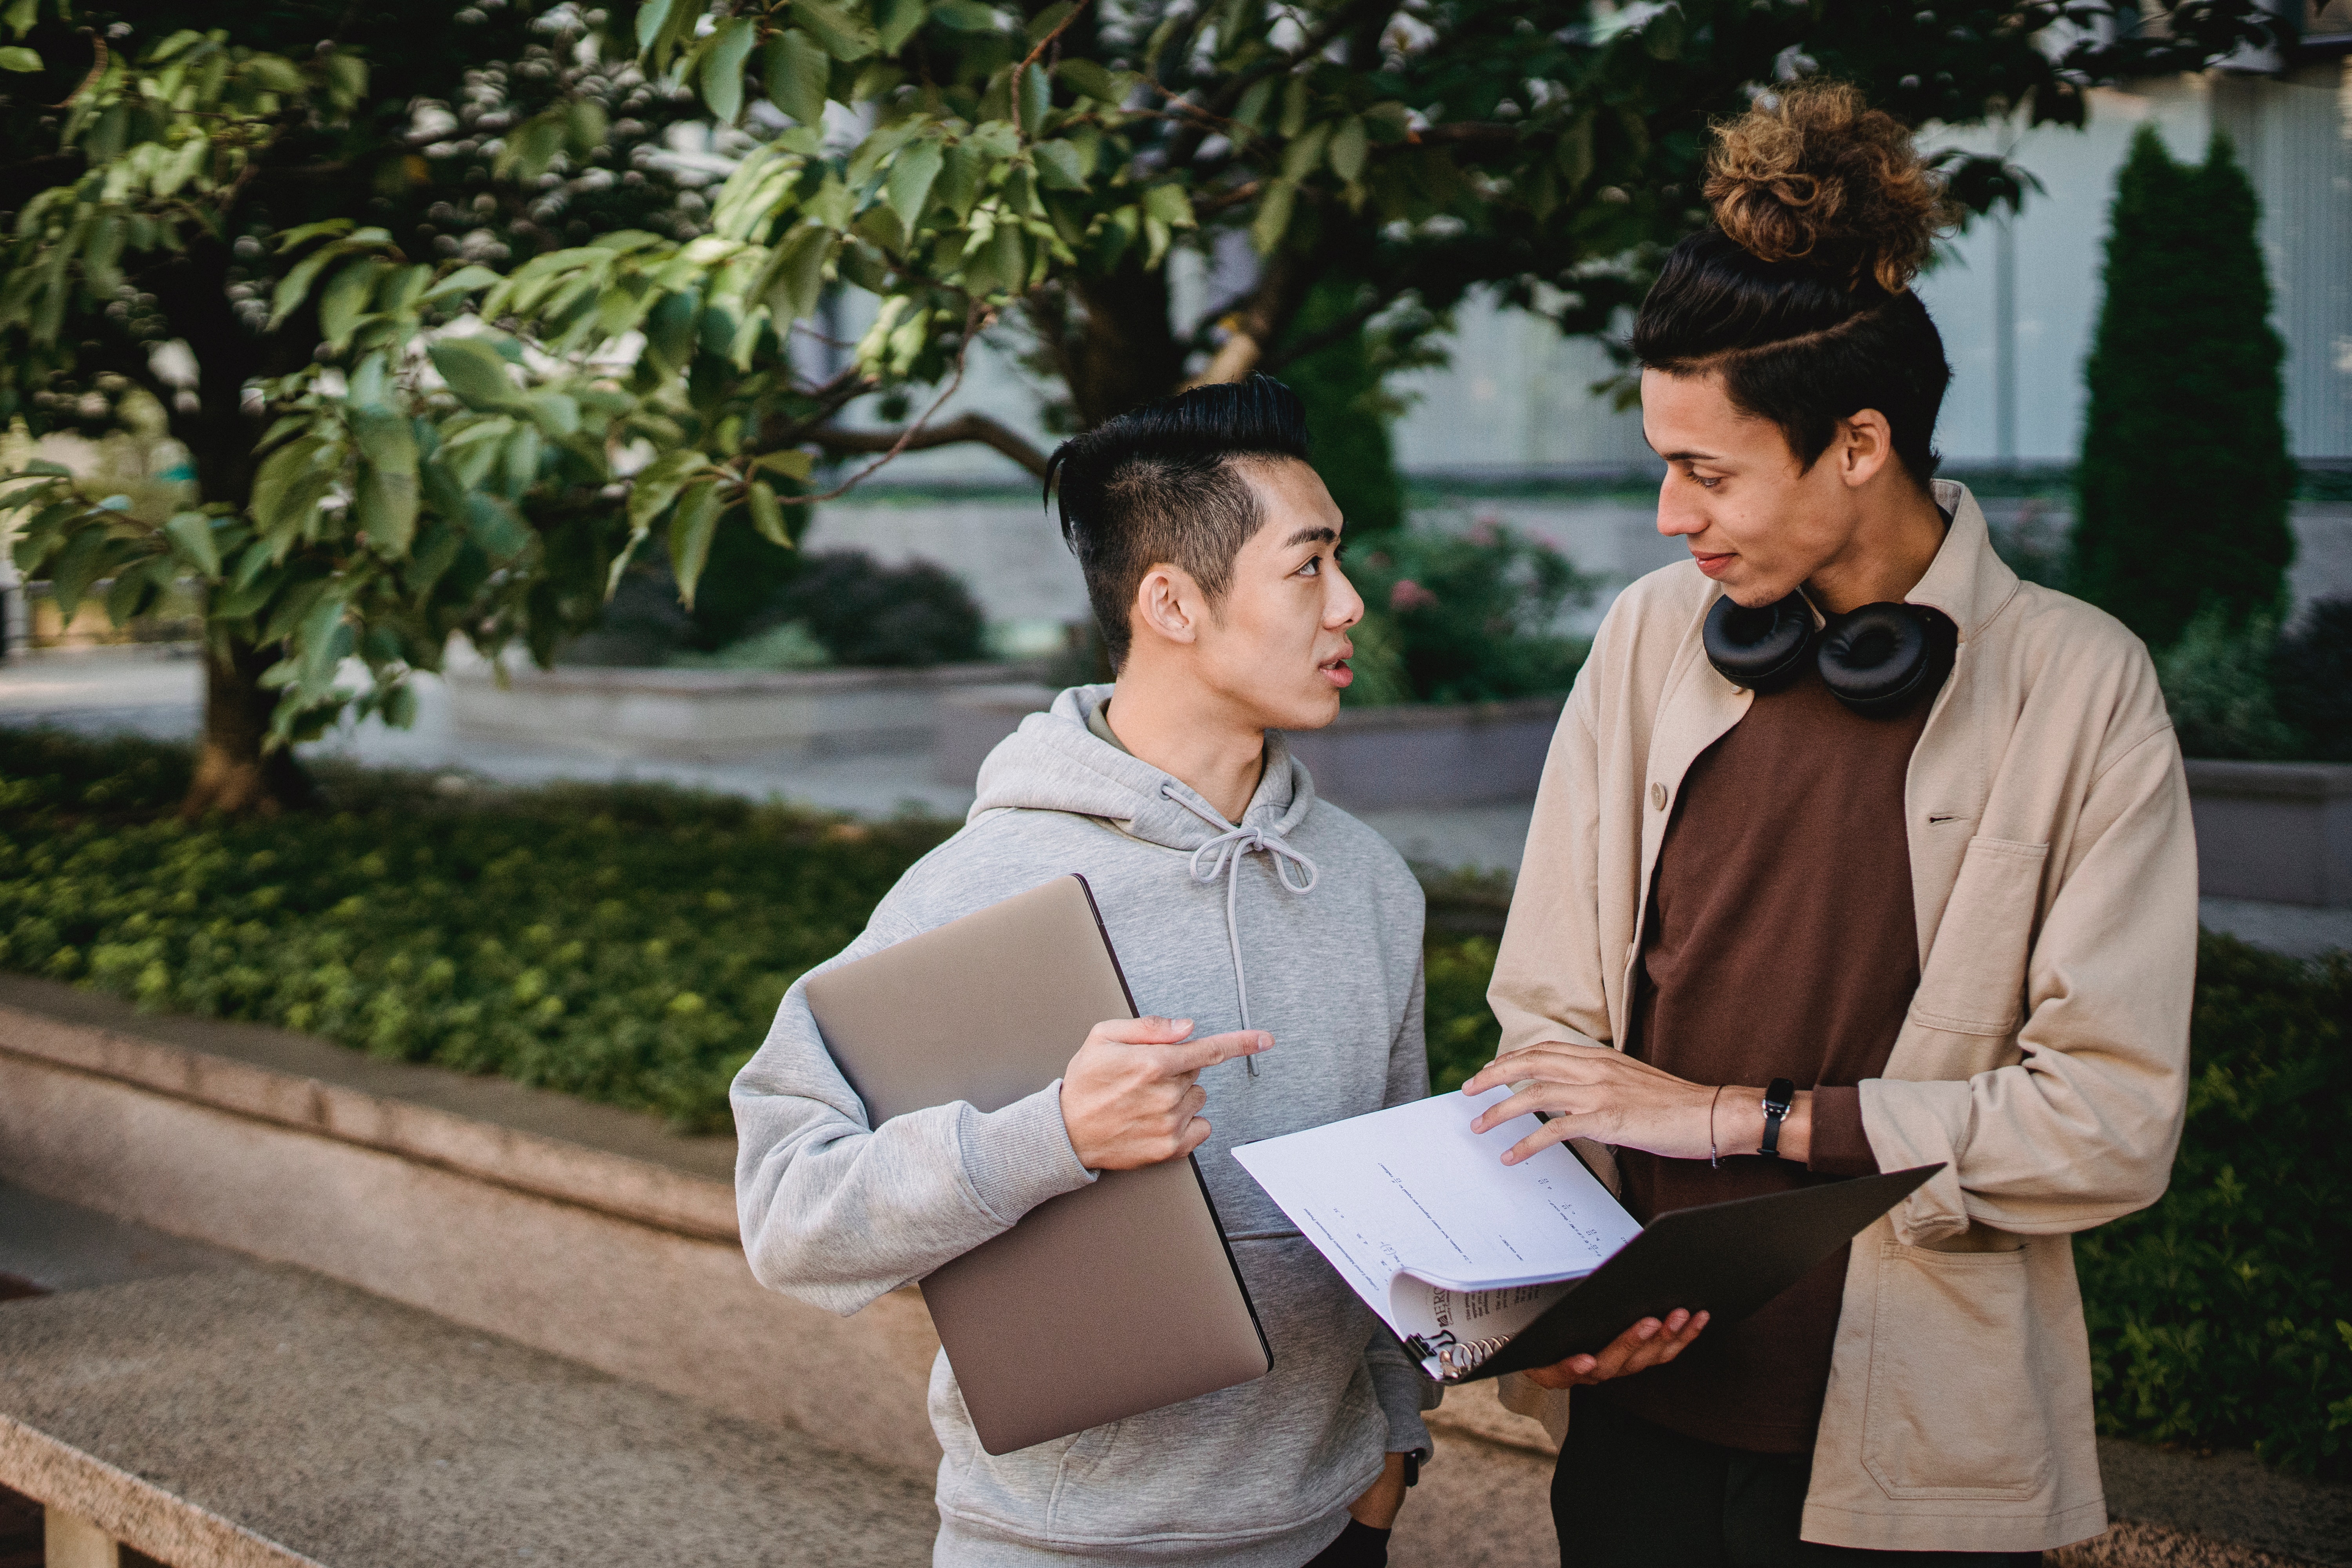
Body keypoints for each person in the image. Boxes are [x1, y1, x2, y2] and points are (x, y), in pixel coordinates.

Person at [1467, 83, 2195, 1565]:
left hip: (1914, 1454)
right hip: (1637, 1422)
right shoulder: (1648, 639)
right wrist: (1549, 1304)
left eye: (1708, 470)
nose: (1673, 515)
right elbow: (1544, 1029)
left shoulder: (2082, 685)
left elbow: (2111, 1123)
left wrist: (1740, 1120)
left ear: (1858, 444)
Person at [731, 376, 1437, 1568]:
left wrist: (1395, 1451)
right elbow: (789, 1217)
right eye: (1310, 566)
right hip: (1069, 1547)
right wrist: (1052, 1132)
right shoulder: (981, 884)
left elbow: (1391, 1197)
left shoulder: (1369, 882)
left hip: (1329, 1530)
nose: (1352, 603)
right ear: (1172, 601)